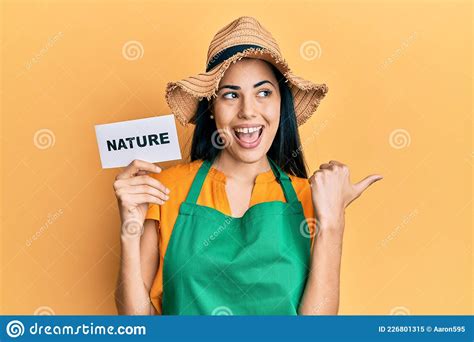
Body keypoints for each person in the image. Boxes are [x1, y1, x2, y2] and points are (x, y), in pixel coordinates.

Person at [113, 16, 383, 315]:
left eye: (264, 92)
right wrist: (130, 229)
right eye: (231, 95)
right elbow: (136, 325)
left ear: (282, 105)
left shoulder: (313, 197)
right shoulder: (167, 189)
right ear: (212, 108)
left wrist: (332, 223)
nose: (248, 111)